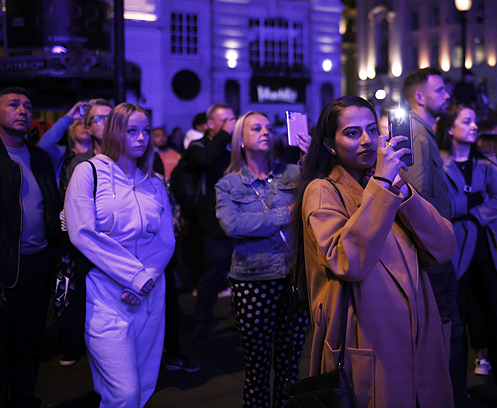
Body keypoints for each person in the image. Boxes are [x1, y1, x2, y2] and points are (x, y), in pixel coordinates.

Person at [294, 96, 456, 408]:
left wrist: (402, 190)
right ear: (330, 144)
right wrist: (382, 183)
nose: (368, 140)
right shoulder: (322, 190)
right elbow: (349, 262)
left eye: (372, 129)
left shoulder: (388, 182)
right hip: (368, 340)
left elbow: (445, 247)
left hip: (417, 334)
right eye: (352, 133)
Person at [64, 103, 175, 407]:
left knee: (142, 388)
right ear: (114, 132)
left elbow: (166, 239)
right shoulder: (88, 173)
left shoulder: (153, 182)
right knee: (123, 393)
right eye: (133, 131)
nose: (142, 138)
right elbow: (82, 232)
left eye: (146, 131)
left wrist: (146, 279)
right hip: (105, 295)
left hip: (150, 294)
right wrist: (134, 276)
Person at [214, 111, 307, 407]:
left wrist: (309, 155)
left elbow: (321, 193)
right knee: (257, 368)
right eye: (256, 128)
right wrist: (285, 214)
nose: (266, 132)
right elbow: (234, 226)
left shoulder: (293, 173)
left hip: (294, 278)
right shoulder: (228, 184)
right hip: (253, 281)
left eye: (269, 127)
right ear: (241, 139)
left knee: (291, 366)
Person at [436, 103, 497, 408]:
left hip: (487, 250)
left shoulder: (487, 163)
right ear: (450, 128)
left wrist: (473, 215)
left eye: (475, 121)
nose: (475, 126)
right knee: (455, 327)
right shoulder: (437, 163)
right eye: (467, 121)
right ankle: (456, 394)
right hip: (452, 252)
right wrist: (473, 201)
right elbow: (436, 204)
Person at [0, 87, 62, 408]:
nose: (22, 110)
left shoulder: (39, 156)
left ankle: (25, 400)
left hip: (37, 265)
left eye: (28, 106)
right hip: (1, 270)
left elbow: (51, 206)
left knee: (30, 343)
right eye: (13, 105)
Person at [400, 67, 467, 406]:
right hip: (430, 253)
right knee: (447, 332)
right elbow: (417, 196)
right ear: (420, 97)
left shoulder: (423, 132)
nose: (446, 96)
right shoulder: (417, 133)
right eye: (440, 90)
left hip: (430, 250)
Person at [188, 103, 238, 341]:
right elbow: (206, 160)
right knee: (214, 269)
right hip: (212, 220)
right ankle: (201, 320)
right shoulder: (198, 145)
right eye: (225, 119)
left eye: (232, 119)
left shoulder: (235, 147)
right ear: (210, 124)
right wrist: (225, 135)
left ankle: (242, 315)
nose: (230, 123)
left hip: (238, 216)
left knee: (241, 270)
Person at [59, 99, 113, 198]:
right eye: (99, 119)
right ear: (89, 129)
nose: (106, 122)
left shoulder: (127, 160)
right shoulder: (80, 163)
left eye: (110, 118)